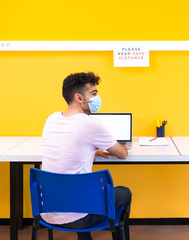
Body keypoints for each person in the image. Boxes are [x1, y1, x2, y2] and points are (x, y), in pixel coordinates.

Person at [41, 72, 132, 240]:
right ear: (79, 98)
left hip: (47, 211)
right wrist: (101, 145)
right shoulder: (90, 123)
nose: (98, 98)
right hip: (79, 217)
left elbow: (68, 144)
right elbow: (123, 153)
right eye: (94, 94)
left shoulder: (51, 119)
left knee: (77, 191)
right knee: (124, 192)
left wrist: (91, 148)